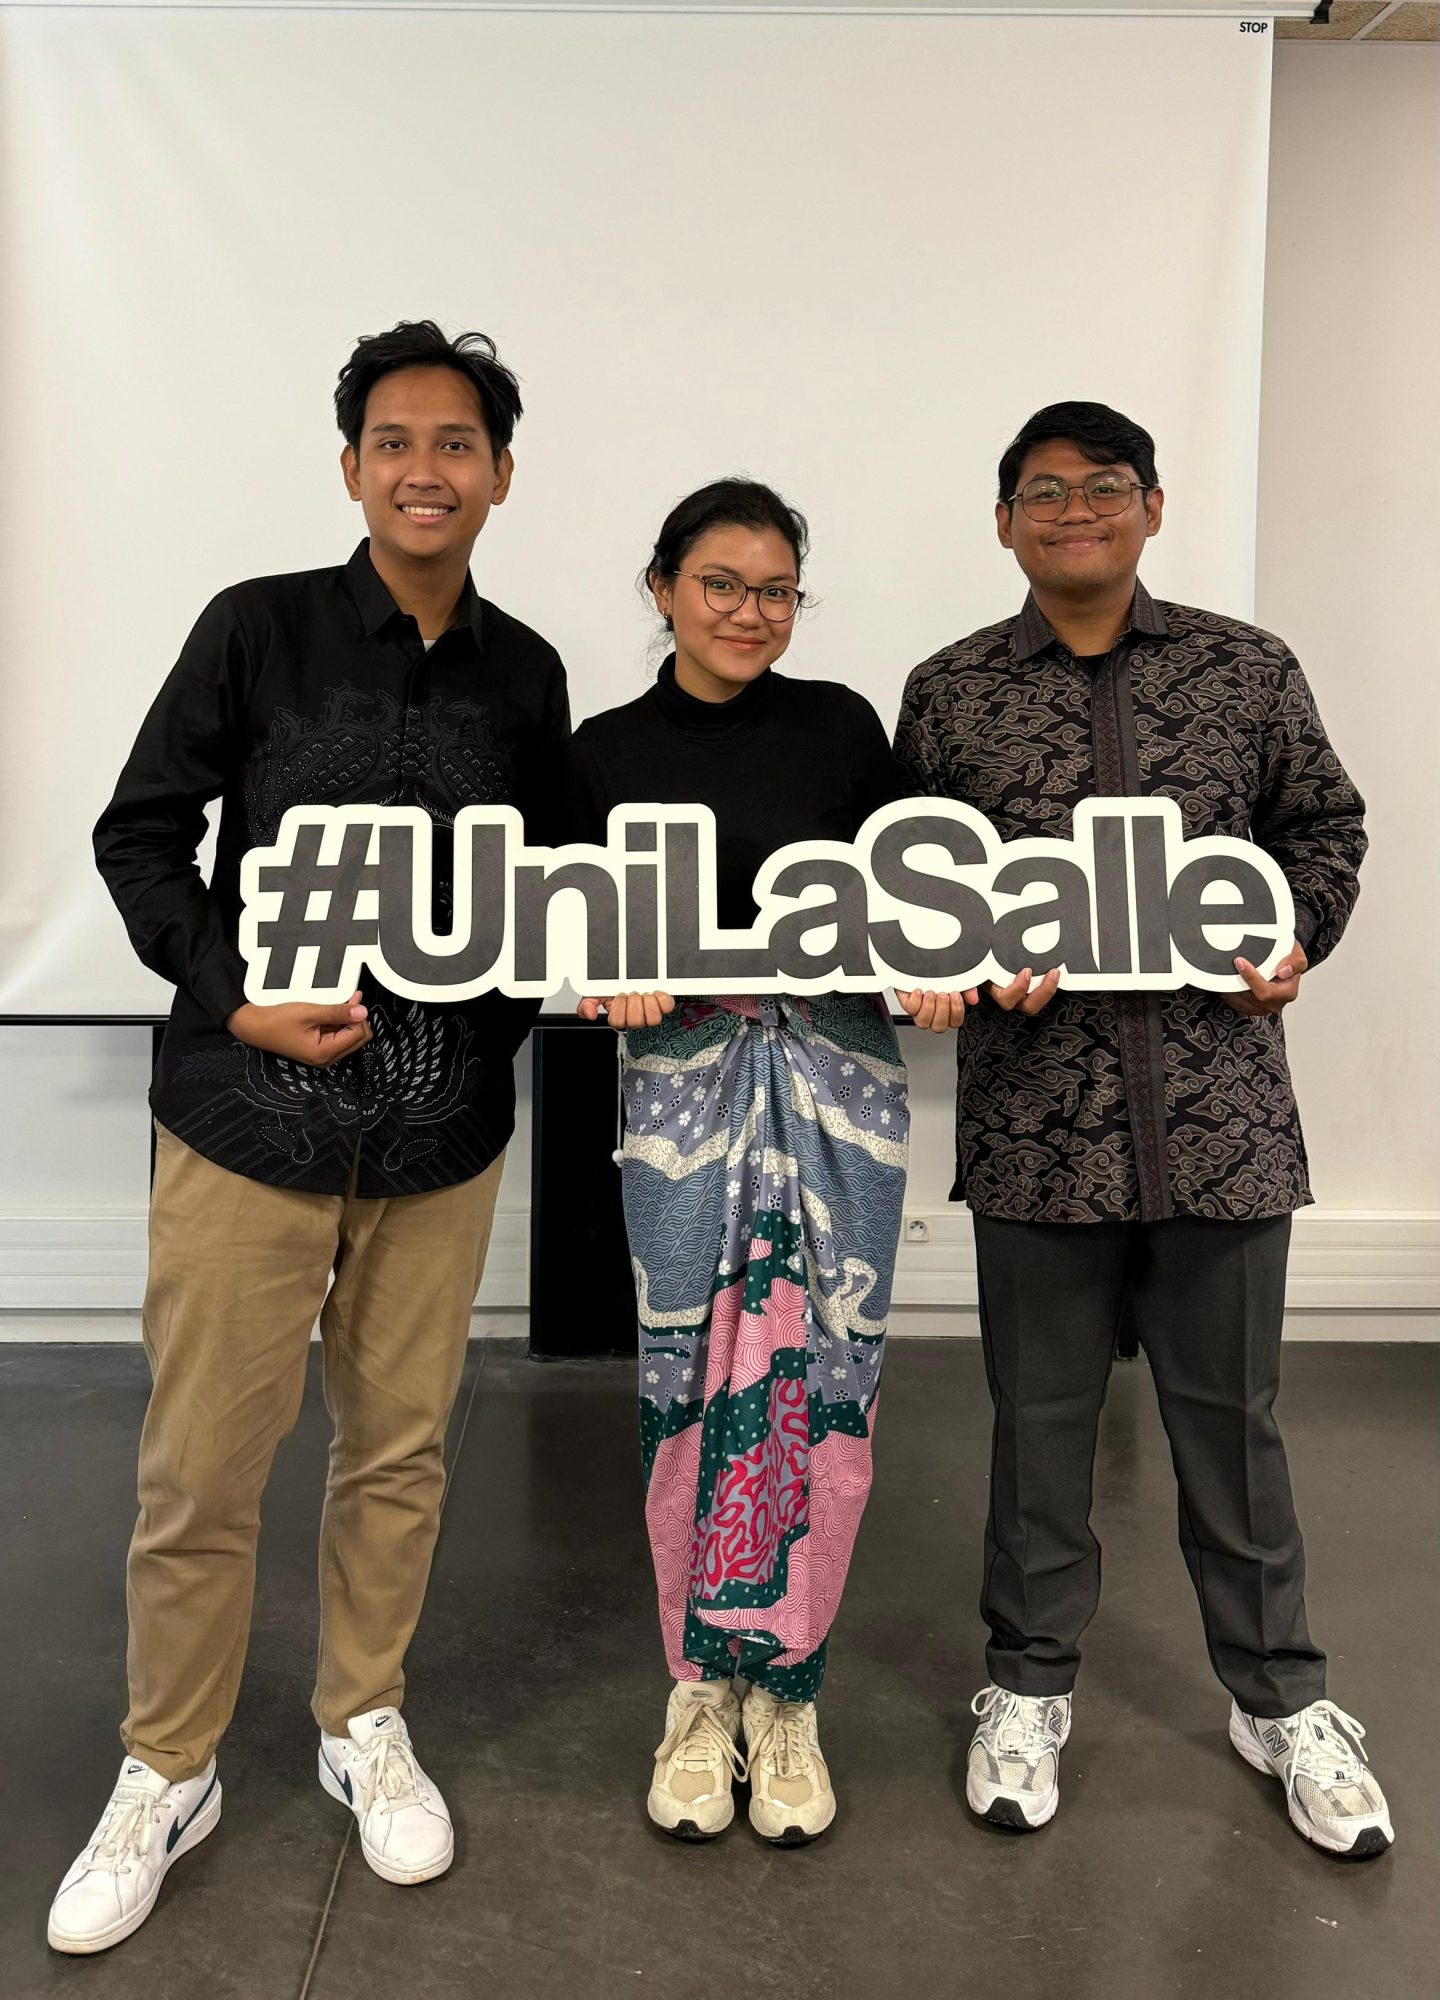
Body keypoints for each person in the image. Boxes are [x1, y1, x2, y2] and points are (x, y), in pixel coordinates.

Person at [49, 321, 570, 1955]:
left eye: (457, 443)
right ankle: (167, 1767)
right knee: (201, 1466)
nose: (426, 469)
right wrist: (235, 998)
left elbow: (549, 894)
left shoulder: (530, 672)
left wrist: (501, 1028)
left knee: (399, 1452)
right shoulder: (254, 628)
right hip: (245, 1121)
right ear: (351, 467)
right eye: (394, 441)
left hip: (439, 1140)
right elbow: (141, 835)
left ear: (500, 473)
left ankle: (363, 1720)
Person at [894, 399, 1392, 1861]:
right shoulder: (951, 691)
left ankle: (1281, 1698)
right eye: (1043, 492)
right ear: (1004, 523)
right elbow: (908, 885)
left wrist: (1292, 937)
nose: (1076, 511)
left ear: (1153, 508)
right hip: (1037, 1128)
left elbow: (1324, 829)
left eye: (1104, 486)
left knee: (1232, 1427)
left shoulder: (1248, 669)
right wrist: (959, 959)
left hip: (1220, 1122)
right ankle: (1027, 1686)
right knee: (1039, 1427)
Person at [569, 478, 973, 1845]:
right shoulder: (602, 752)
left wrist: (930, 969)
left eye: (777, 590)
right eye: (722, 584)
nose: (750, 611)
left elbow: (915, 897)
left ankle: (791, 1689)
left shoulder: (843, 727)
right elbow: (563, 922)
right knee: (685, 1372)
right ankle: (698, 1689)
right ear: (663, 588)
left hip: (838, 1084)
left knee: (830, 1372)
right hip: (682, 1095)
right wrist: (605, 975)